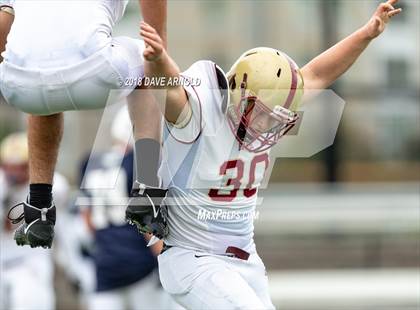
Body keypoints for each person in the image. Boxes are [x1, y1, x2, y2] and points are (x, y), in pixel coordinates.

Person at [125, 1, 402, 308]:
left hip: (245, 260)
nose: (270, 125)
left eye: (276, 118)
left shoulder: (265, 114)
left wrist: (367, 33)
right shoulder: (198, 114)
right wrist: (160, 60)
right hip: (196, 259)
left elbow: (317, 75)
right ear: (240, 96)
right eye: (264, 115)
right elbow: (171, 88)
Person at [0, 0, 167, 248]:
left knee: (39, 73)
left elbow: (3, 26)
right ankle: (148, 190)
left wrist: (12, 71)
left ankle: (39, 207)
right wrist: (160, 48)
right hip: (96, 72)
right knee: (150, 57)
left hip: (19, 84)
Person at [79, 106, 180, 310]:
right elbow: (148, 224)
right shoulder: (136, 164)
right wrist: (166, 262)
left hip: (105, 264)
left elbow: (87, 221)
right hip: (139, 265)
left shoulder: (91, 162)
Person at [0, 132, 70, 309]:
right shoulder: (2, 185)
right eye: (9, 166)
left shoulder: (52, 187)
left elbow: (62, 224)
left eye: (20, 166)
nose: (13, 172)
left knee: (31, 300)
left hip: (30, 263)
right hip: (3, 261)